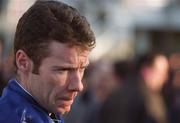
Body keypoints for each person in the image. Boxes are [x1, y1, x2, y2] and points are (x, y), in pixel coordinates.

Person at [0, 0, 95, 123]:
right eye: (63, 70)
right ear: (23, 62)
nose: (78, 86)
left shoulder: (47, 110)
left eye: (82, 68)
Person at [99, 52, 170, 123]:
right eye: (161, 72)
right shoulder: (127, 96)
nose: (165, 77)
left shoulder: (150, 93)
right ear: (146, 71)